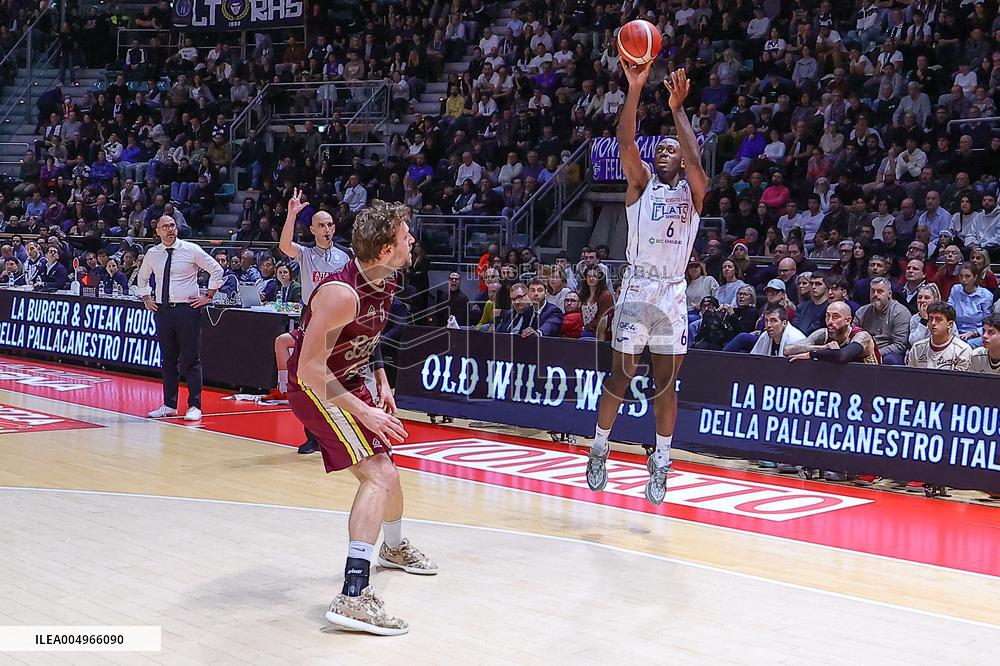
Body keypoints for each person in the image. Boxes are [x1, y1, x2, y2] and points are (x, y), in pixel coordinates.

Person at [287, 201, 434, 636]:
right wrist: (364, 409)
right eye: (406, 236)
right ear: (387, 248)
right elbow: (308, 369)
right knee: (379, 475)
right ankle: (353, 594)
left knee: (389, 471)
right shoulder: (341, 293)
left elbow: (370, 338)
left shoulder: (383, 280)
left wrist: (382, 381)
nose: (412, 240)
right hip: (318, 389)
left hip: (351, 380)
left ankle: (392, 548)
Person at [587, 66, 708, 505]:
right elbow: (625, 142)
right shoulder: (641, 187)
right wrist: (635, 88)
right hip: (639, 288)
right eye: (660, 147)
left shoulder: (693, 194)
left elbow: (697, 163)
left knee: (664, 385)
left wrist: (678, 110)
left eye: (671, 149)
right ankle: (599, 447)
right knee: (620, 375)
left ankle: (660, 460)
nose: (664, 152)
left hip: (673, 292)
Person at [268, 190, 352, 454]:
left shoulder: (345, 256)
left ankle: (340, 435)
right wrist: (291, 214)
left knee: (337, 378)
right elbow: (284, 246)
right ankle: (312, 436)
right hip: (312, 317)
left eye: (330, 225)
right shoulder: (305, 253)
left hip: (338, 319)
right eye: (321, 225)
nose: (326, 229)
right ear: (313, 229)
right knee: (307, 378)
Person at [138, 215, 224, 422]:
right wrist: (146, 298)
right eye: (165, 226)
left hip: (187, 309)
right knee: (168, 359)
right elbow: (142, 277)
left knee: (191, 359)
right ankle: (169, 404)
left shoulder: (190, 249)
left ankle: (195, 405)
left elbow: (216, 269)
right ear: (157, 231)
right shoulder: (153, 253)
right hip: (163, 310)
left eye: (172, 225)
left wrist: (208, 296)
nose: (170, 229)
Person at [784, 301, 881, 364]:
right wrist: (822, 347)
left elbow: (842, 356)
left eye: (835, 316)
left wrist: (812, 354)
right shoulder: (823, 334)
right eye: (827, 316)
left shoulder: (862, 336)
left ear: (848, 320)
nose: (830, 321)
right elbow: (788, 350)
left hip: (872, 379)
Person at [855, 277, 911, 364]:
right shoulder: (862, 312)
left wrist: (874, 354)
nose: (875, 294)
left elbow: (900, 345)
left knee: (891, 359)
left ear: (889, 294)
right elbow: (853, 335)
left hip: (887, 354)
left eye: (880, 291)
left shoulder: (900, 312)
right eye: (873, 291)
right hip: (863, 350)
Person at [905, 301, 972, 370]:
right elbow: (911, 378)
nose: (933, 323)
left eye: (938, 320)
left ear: (950, 324)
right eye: (930, 319)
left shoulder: (962, 350)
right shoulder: (917, 348)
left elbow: (960, 380)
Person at [948, 262, 994, 349]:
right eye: (961, 276)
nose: (964, 280)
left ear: (975, 277)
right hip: (956, 331)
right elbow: (949, 311)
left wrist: (972, 333)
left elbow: (988, 322)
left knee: (965, 346)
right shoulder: (955, 289)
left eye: (967, 276)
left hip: (978, 334)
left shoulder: (986, 295)